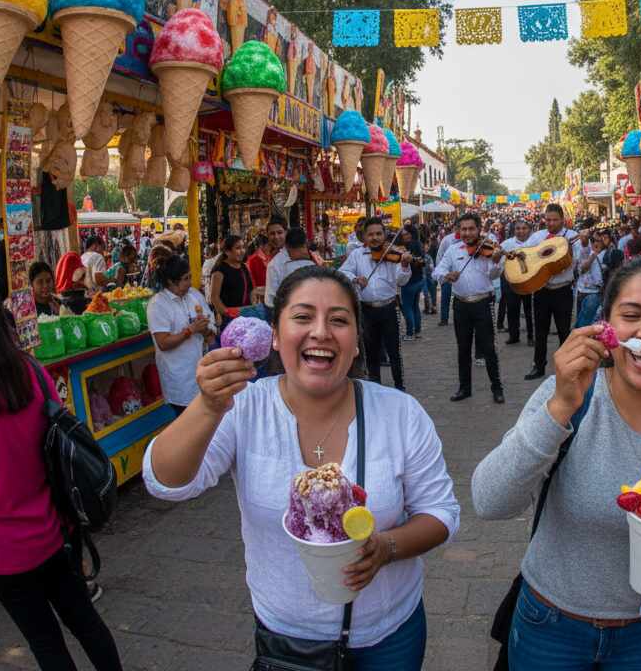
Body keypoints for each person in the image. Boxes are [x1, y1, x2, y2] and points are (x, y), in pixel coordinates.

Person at [143, 266, 460, 669]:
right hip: (287, 638)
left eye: (339, 320)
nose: (321, 332)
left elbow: (442, 513)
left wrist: (386, 547)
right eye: (303, 316)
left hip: (388, 635)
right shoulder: (245, 406)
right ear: (275, 335)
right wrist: (207, 406)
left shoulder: (400, 413)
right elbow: (165, 481)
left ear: (357, 343)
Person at [472, 257, 641, 670]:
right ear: (606, 328)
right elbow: (489, 501)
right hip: (550, 625)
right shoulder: (566, 398)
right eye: (632, 315)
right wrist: (559, 408)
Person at [0, 273, 123, 671]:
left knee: (46, 643)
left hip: (1, 552)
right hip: (54, 530)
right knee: (86, 622)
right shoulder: (30, 372)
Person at [433, 213, 505, 404]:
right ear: (458, 230)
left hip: (483, 303)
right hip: (460, 305)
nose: (467, 233)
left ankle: (497, 388)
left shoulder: (489, 249)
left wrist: (497, 260)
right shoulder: (453, 250)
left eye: (471, 229)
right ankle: (465, 388)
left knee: (489, 348)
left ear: (478, 229)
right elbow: (437, 271)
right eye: (463, 229)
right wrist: (447, 275)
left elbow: (494, 275)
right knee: (463, 349)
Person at [338, 218, 411, 390]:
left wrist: (405, 264)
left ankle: (399, 387)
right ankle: (375, 388)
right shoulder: (357, 255)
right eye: (371, 234)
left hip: (389, 307)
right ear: (364, 237)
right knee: (371, 350)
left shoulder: (393, 253)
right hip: (367, 310)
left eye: (379, 233)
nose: (375, 238)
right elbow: (342, 272)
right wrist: (355, 278)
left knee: (394, 350)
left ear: (385, 235)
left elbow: (402, 280)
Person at [147, 255, 217, 417]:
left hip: (201, 372)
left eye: (190, 277)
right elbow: (163, 343)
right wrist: (190, 330)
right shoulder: (158, 305)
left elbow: (210, 332)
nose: (190, 282)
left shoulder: (194, 296)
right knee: (189, 422)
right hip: (179, 378)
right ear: (171, 282)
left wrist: (205, 329)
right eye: (185, 279)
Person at [521, 204, 582, 381]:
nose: (551, 223)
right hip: (541, 290)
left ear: (563, 219)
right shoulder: (538, 237)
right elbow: (525, 254)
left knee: (564, 331)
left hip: (563, 290)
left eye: (555, 220)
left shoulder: (572, 237)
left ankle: (566, 368)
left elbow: (576, 261)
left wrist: (567, 252)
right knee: (540, 331)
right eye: (548, 219)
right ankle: (538, 366)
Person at [498, 220, 534, 345]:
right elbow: (499, 262)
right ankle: (514, 336)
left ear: (529, 230)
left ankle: (531, 336)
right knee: (512, 309)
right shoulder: (506, 244)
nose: (521, 231)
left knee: (529, 310)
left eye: (524, 228)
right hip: (511, 281)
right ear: (514, 230)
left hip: (528, 280)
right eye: (518, 228)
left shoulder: (534, 243)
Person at [208, 235, 253, 327]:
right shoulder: (219, 270)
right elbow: (214, 297)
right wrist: (227, 313)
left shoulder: (244, 267)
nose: (242, 251)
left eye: (243, 247)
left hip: (245, 317)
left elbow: (250, 290)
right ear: (227, 252)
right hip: (229, 320)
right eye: (237, 248)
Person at [268, 227, 319, 303]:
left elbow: (271, 301)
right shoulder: (315, 267)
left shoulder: (282, 268)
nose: (276, 236)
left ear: (287, 247)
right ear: (306, 243)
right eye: (272, 233)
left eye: (279, 232)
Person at [398, 225, 427, 342]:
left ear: (411, 234)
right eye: (402, 234)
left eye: (405, 234)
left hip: (409, 282)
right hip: (419, 280)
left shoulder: (408, 246)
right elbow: (422, 261)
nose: (403, 236)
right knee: (415, 306)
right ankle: (418, 331)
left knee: (407, 308)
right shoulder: (418, 244)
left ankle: (410, 333)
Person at [572, 232, 604, 329]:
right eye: (593, 240)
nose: (596, 243)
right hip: (584, 291)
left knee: (584, 324)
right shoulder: (586, 252)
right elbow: (581, 269)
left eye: (599, 240)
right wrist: (593, 254)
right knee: (582, 324)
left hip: (593, 292)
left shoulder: (607, 253)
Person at [436, 224, 462, 327]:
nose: (459, 231)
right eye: (458, 228)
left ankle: (460, 318)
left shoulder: (468, 241)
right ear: (454, 228)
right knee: (445, 297)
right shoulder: (446, 240)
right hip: (447, 274)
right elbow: (439, 256)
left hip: (461, 275)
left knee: (459, 298)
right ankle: (444, 318)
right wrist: (441, 274)